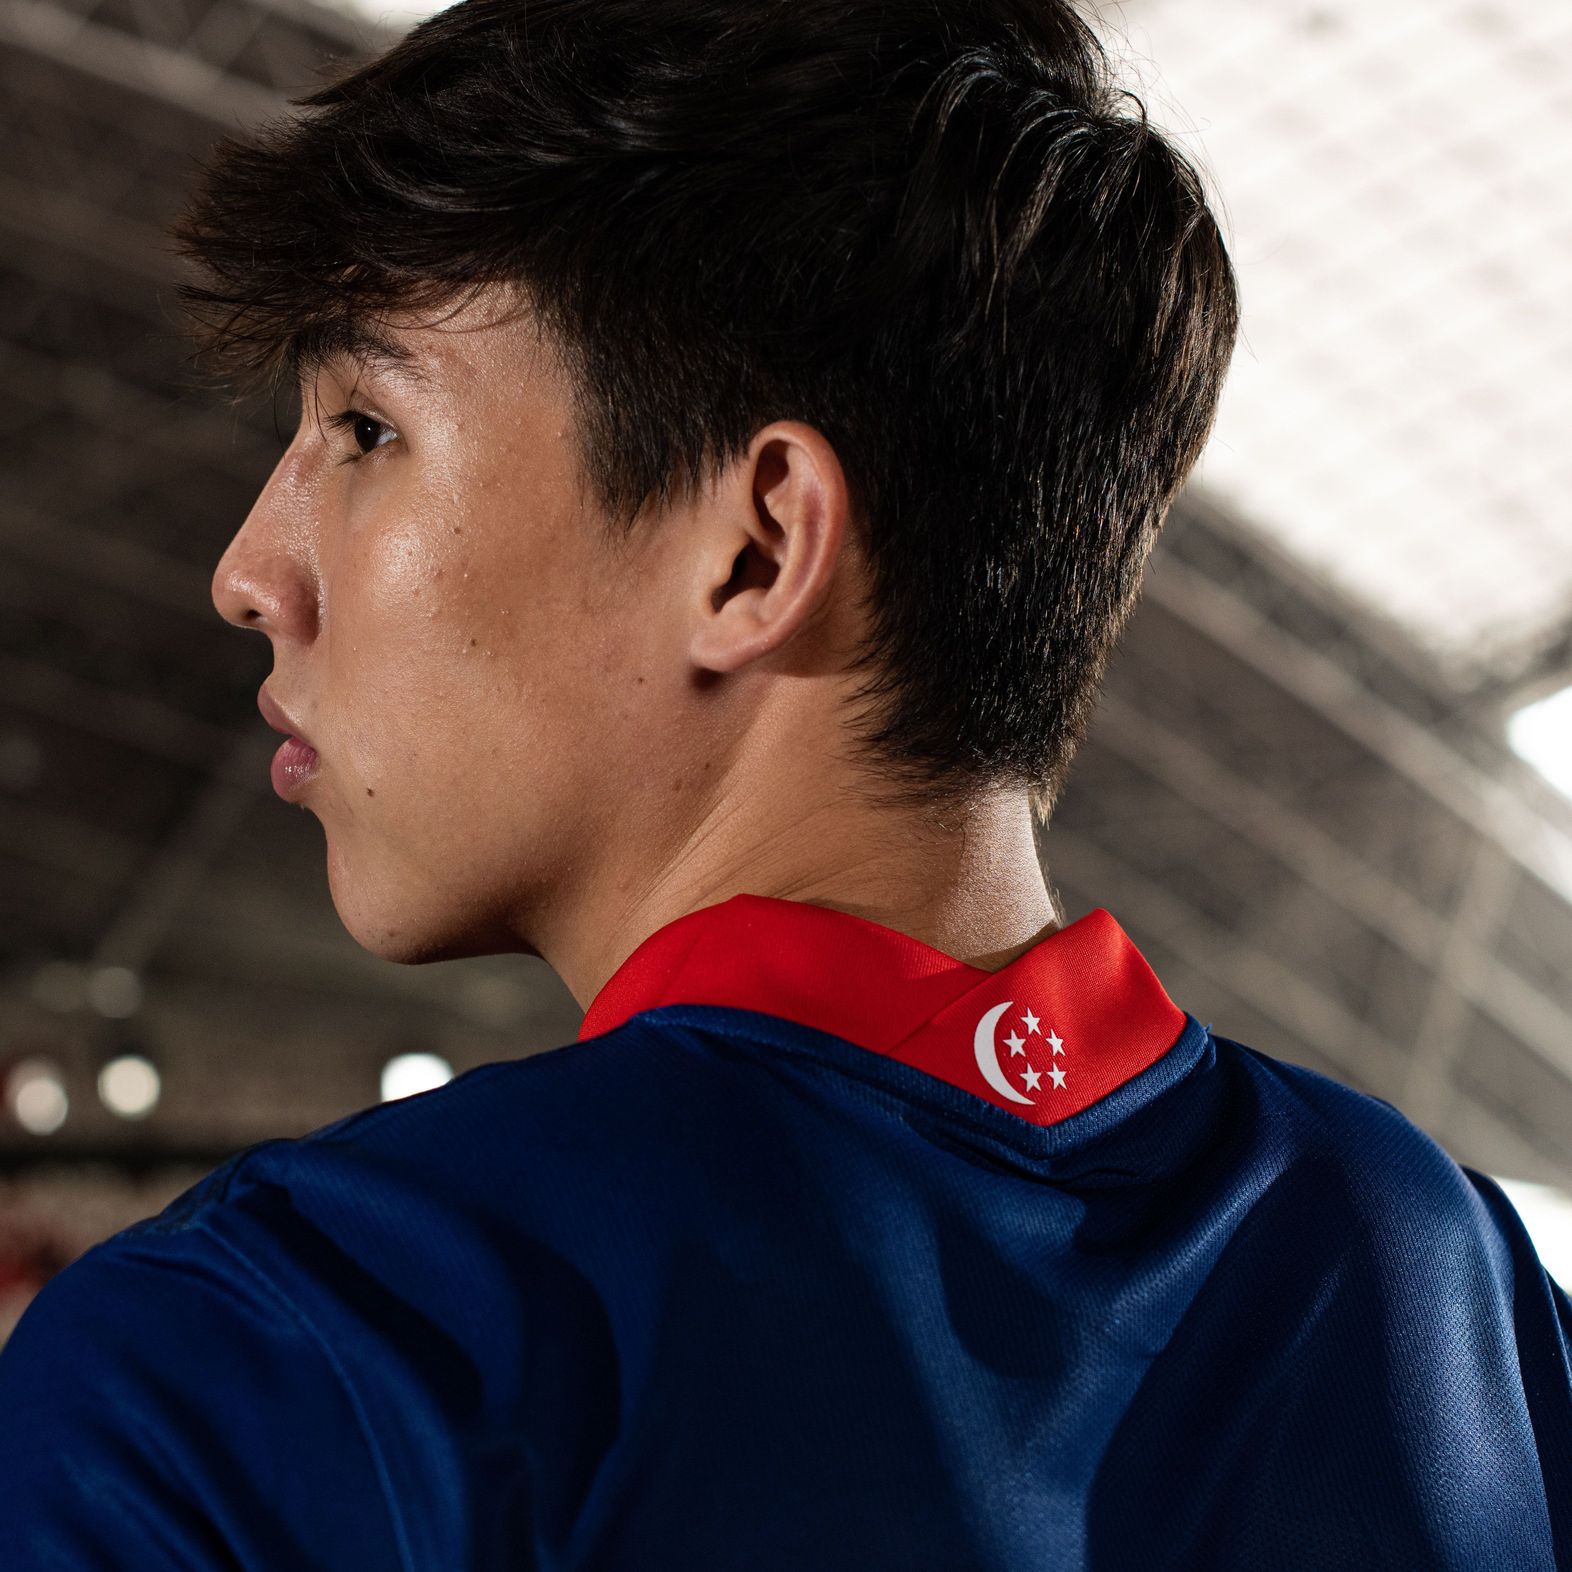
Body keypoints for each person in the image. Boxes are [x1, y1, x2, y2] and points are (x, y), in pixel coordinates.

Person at [3, 0, 1568, 1565]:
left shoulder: (265, 1365)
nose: (250, 571)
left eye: (365, 427)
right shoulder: (1462, 1297)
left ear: (756, 551)